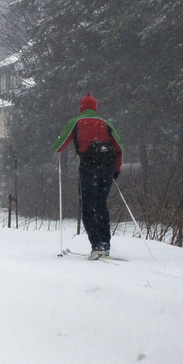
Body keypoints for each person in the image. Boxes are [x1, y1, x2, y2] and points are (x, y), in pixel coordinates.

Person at [54, 93, 123, 259]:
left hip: (88, 167)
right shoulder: (106, 123)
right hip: (107, 168)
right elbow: (119, 147)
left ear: (82, 108)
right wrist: (116, 170)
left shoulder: (76, 122)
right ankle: (105, 243)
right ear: (96, 108)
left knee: (87, 207)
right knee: (101, 205)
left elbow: (59, 146)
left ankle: (96, 244)